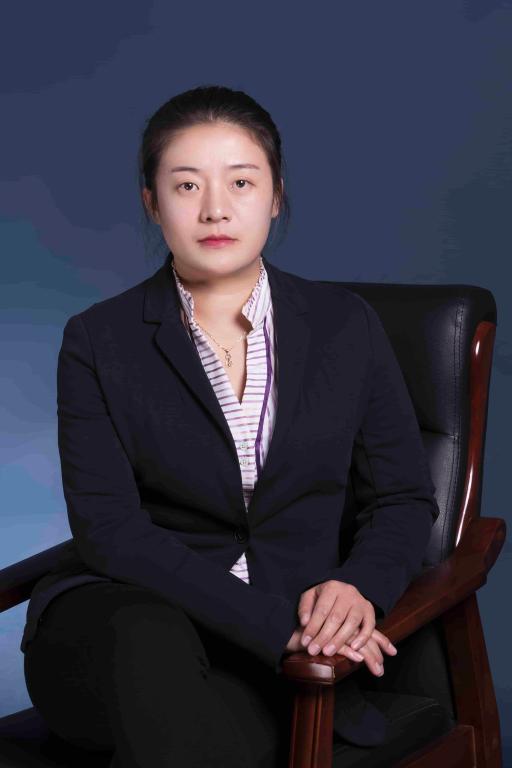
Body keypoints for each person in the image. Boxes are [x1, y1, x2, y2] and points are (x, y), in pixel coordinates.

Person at [22, 84, 439, 767]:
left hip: (279, 647)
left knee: (208, 730)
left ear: (275, 196)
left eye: (241, 182)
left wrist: (357, 589)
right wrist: (277, 627)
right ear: (152, 202)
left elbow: (402, 496)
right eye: (186, 185)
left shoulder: (346, 326)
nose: (214, 208)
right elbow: (109, 530)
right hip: (119, 626)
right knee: (145, 643)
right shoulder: (98, 339)